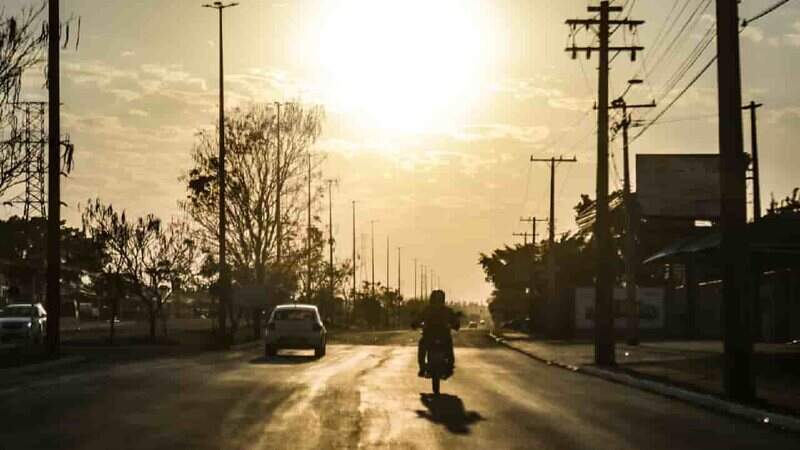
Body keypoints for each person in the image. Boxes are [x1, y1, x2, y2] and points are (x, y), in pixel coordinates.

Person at [412, 290, 459, 377]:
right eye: (436, 299)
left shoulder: (446, 311)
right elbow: (418, 319)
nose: (437, 302)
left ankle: (448, 367)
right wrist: (415, 324)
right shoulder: (428, 310)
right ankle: (422, 367)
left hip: (441, 337)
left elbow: (455, 321)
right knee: (422, 346)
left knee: (449, 349)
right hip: (430, 337)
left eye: (439, 299)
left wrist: (455, 325)